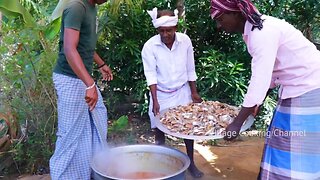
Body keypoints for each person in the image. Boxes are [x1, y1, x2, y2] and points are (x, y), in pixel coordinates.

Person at [210, 0, 320, 179]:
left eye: (221, 19)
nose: (219, 25)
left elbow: (259, 80)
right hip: (300, 86)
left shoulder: (261, 33)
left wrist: (237, 123)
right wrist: (256, 103)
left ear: (236, 14)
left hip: (308, 87)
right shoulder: (257, 29)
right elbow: (270, 74)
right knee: (280, 137)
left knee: (293, 143)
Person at [50, 0, 113, 179]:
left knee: (93, 123)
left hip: (81, 78)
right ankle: (61, 176)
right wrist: (90, 84)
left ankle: (88, 172)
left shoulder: (91, 7)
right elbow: (70, 49)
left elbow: (84, 44)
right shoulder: (77, 6)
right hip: (69, 79)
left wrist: (101, 64)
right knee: (69, 134)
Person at [141, 8, 204, 178]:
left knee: (188, 130)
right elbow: (151, 75)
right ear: (157, 30)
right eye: (161, 31)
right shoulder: (149, 46)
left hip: (182, 92)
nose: (165, 34)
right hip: (160, 94)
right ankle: (161, 167)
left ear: (175, 27)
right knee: (160, 131)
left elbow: (190, 68)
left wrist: (194, 92)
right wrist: (155, 100)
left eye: (169, 30)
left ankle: (191, 164)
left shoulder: (185, 41)